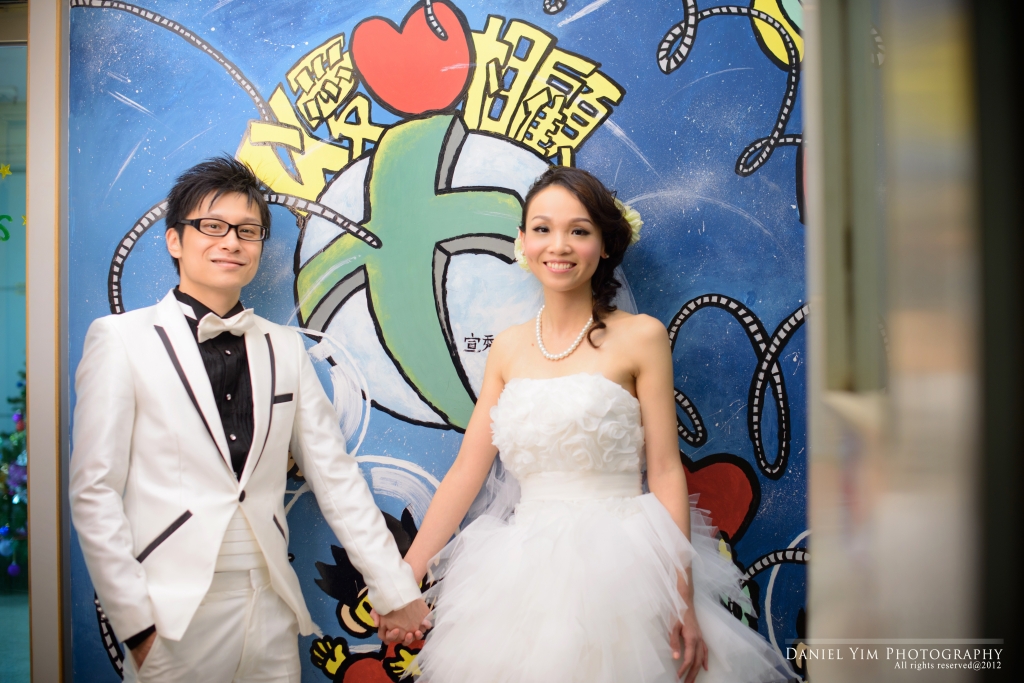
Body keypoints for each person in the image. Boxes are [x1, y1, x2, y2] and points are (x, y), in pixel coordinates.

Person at [379, 166, 795, 682]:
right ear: (523, 242)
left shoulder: (642, 336)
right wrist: (405, 577)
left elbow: (666, 470)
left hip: (625, 568)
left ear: (604, 244)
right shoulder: (507, 347)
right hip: (522, 569)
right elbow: (468, 471)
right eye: (543, 228)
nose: (559, 245)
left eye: (579, 230)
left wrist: (680, 596)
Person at [69, 156, 428, 683]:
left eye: (247, 230)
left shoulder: (285, 348)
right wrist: (137, 627)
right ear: (175, 240)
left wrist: (394, 590)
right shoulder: (121, 340)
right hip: (170, 615)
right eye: (212, 226)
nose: (231, 242)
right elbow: (94, 492)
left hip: (271, 604)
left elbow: (335, 478)